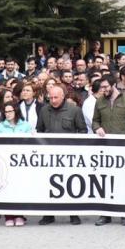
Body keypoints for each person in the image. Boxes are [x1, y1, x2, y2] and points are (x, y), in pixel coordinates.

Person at [92, 73, 125, 226]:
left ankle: (124, 213)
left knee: (123, 181)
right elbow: (95, 121)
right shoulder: (100, 101)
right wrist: (97, 128)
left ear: (113, 85)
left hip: (123, 148)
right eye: (101, 87)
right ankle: (105, 214)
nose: (102, 90)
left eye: (105, 87)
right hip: (105, 148)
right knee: (105, 181)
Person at [36, 85, 87, 225]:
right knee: (48, 184)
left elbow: (83, 131)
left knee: (71, 185)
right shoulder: (44, 110)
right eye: (50, 97)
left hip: (69, 156)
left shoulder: (75, 110)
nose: (52, 100)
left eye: (55, 97)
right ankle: (48, 214)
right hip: (49, 155)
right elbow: (39, 130)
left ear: (63, 96)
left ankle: (73, 214)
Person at [0, 102, 31, 226]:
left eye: (10, 111)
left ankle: (20, 214)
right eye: (6, 112)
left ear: (16, 111)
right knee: (7, 189)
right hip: (5, 163)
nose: (8, 114)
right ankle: (8, 216)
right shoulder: (0, 126)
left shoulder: (25, 125)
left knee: (20, 188)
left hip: (21, 163)